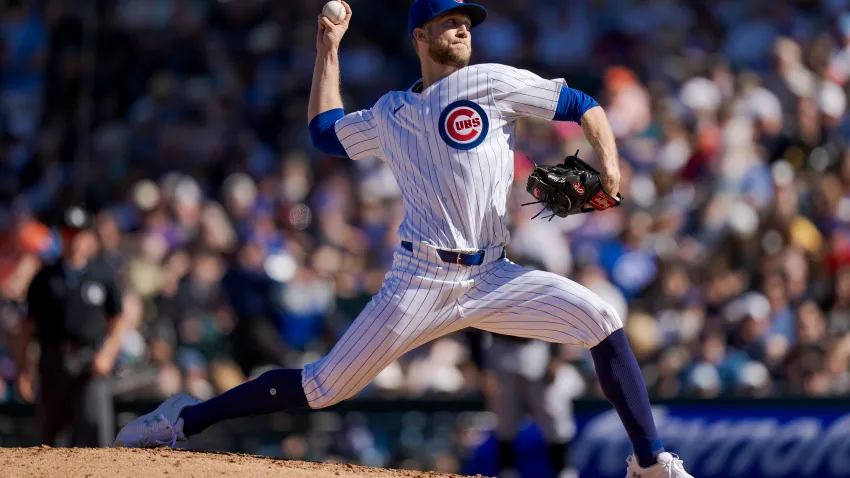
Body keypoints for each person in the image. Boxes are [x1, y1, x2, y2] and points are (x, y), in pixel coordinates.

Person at [115, 1, 693, 476]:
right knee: (322, 388)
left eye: (468, 19)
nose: (464, 25)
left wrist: (609, 165)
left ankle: (648, 465)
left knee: (602, 320)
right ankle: (184, 419)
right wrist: (328, 49)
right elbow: (323, 133)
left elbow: (583, 105)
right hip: (419, 280)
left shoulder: (490, 81)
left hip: (493, 274)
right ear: (420, 34)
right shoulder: (392, 111)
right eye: (451, 19)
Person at [15, 206, 126, 447]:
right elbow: (27, 326)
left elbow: (118, 318)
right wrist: (24, 368)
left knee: (96, 436)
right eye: (67, 233)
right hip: (53, 361)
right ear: (59, 235)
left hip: (90, 363)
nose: (73, 239)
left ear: (89, 237)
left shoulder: (102, 274)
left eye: (78, 233)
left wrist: (107, 353)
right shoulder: (44, 278)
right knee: (52, 438)